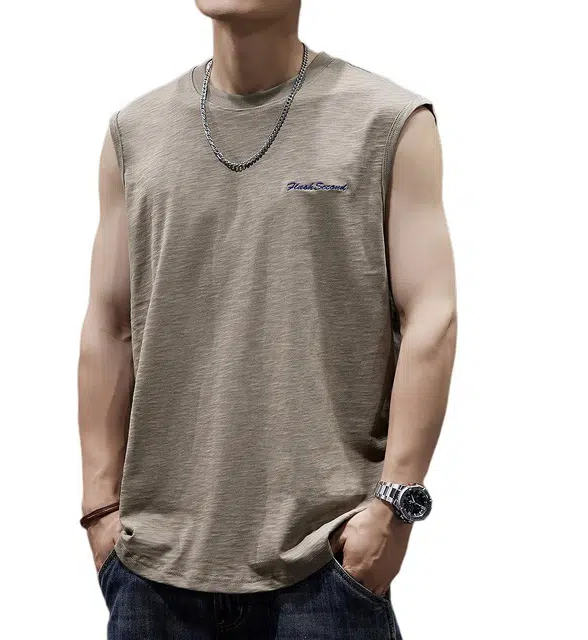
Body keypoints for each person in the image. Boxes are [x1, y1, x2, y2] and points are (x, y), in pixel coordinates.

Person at [77, 1, 457, 637]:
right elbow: (108, 325)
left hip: (326, 564)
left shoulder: (388, 123)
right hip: (152, 570)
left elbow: (431, 317)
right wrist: (99, 509)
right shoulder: (135, 133)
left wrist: (393, 509)